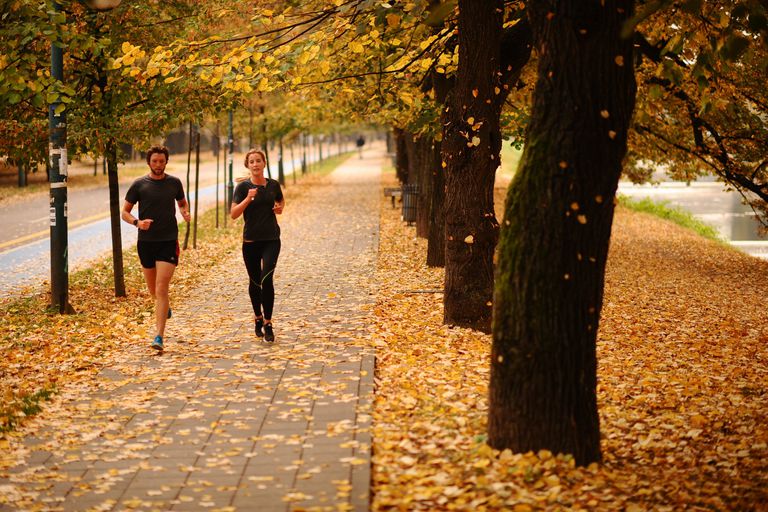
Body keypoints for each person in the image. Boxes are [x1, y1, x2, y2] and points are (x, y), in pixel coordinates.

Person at [122, 145, 190, 351]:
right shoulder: (139, 185)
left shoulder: (174, 183)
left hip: (168, 240)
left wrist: (185, 213)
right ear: (149, 162)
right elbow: (125, 212)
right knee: (153, 290)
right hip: (146, 242)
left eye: (161, 161)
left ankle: (159, 336)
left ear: (166, 162)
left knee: (161, 288)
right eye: (155, 161)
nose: (158, 165)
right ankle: (164, 307)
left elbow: (182, 203)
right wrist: (137, 223)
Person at [231, 149, 285, 342]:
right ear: (248, 165)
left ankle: (268, 323)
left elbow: (280, 201)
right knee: (255, 282)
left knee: (267, 279)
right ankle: (257, 317)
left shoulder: (273, 185)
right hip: (251, 241)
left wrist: (279, 208)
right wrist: (248, 198)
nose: (255, 164)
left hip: (271, 239)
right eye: (251, 161)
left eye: (258, 161)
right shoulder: (242, 188)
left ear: (264, 163)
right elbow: (234, 214)